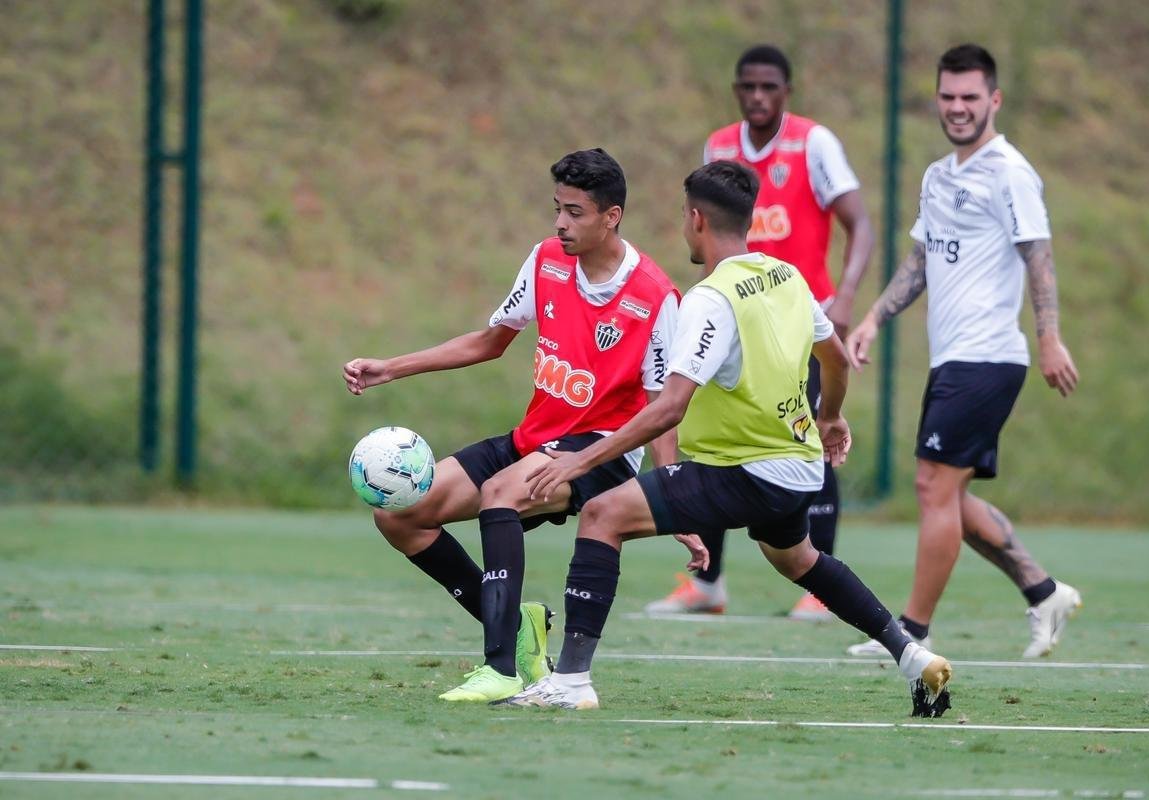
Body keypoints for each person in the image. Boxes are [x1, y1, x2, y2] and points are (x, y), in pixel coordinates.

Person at [503, 161, 952, 716]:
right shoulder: (785, 276)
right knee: (798, 560)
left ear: (696, 220)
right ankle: (909, 654)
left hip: (746, 470)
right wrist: (830, 416)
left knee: (602, 515)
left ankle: (569, 682)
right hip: (799, 468)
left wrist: (579, 463)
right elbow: (834, 355)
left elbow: (668, 407)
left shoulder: (710, 299)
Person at [342, 148, 697, 702]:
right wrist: (392, 367)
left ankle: (501, 667)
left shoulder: (654, 296)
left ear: (612, 216)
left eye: (575, 212)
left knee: (500, 493)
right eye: (557, 208)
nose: (560, 223)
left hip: (598, 454)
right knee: (398, 514)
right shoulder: (545, 262)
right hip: (535, 436)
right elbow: (489, 341)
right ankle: (522, 628)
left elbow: (662, 408)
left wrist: (671, 492)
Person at [843, 44, 1082, 660]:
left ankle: (910, 636)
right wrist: (872, 317)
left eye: (970, 97)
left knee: (931, 486)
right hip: (953, 359)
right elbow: (920, 261)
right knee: (947, 492)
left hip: (989, 356)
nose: (957, 107)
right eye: (948, 96)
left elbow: (1039, 256)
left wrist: (1050, 335)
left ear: (993, 100)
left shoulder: (1010, 172)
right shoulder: (938, 175)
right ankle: (1043, 591)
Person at [646, 44, 874, 621]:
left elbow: (861, 223)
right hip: (730, 317)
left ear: (786, 92)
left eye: (768, 87)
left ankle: (819, 584)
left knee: (811, 439)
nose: (757, 97)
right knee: (710, 439)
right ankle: (706, 583)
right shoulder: (719, 147)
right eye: (747, 86)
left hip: (792, 322)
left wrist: (844, 296)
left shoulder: (813, 143)